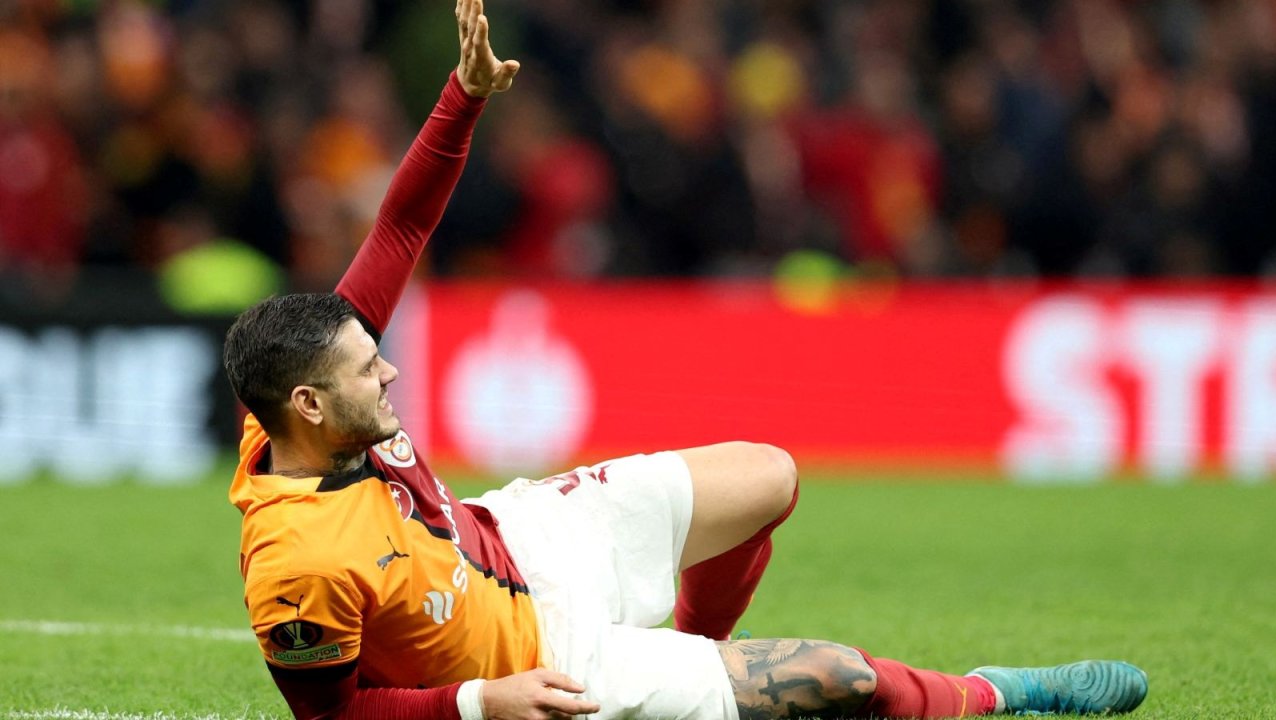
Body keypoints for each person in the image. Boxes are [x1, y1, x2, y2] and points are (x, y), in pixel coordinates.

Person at [223, 2, 1149, 718]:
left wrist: (462, 98)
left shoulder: (305, 387)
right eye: (366, 371)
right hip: (544, 665)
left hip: (518, 538)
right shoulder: (298, 563)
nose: (388, 373)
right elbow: (333, 715)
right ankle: (992, 694)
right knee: (841, 677)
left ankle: (697, 668)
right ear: (309, 404)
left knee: (770, 477)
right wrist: (478, 703)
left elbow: (401, 226)